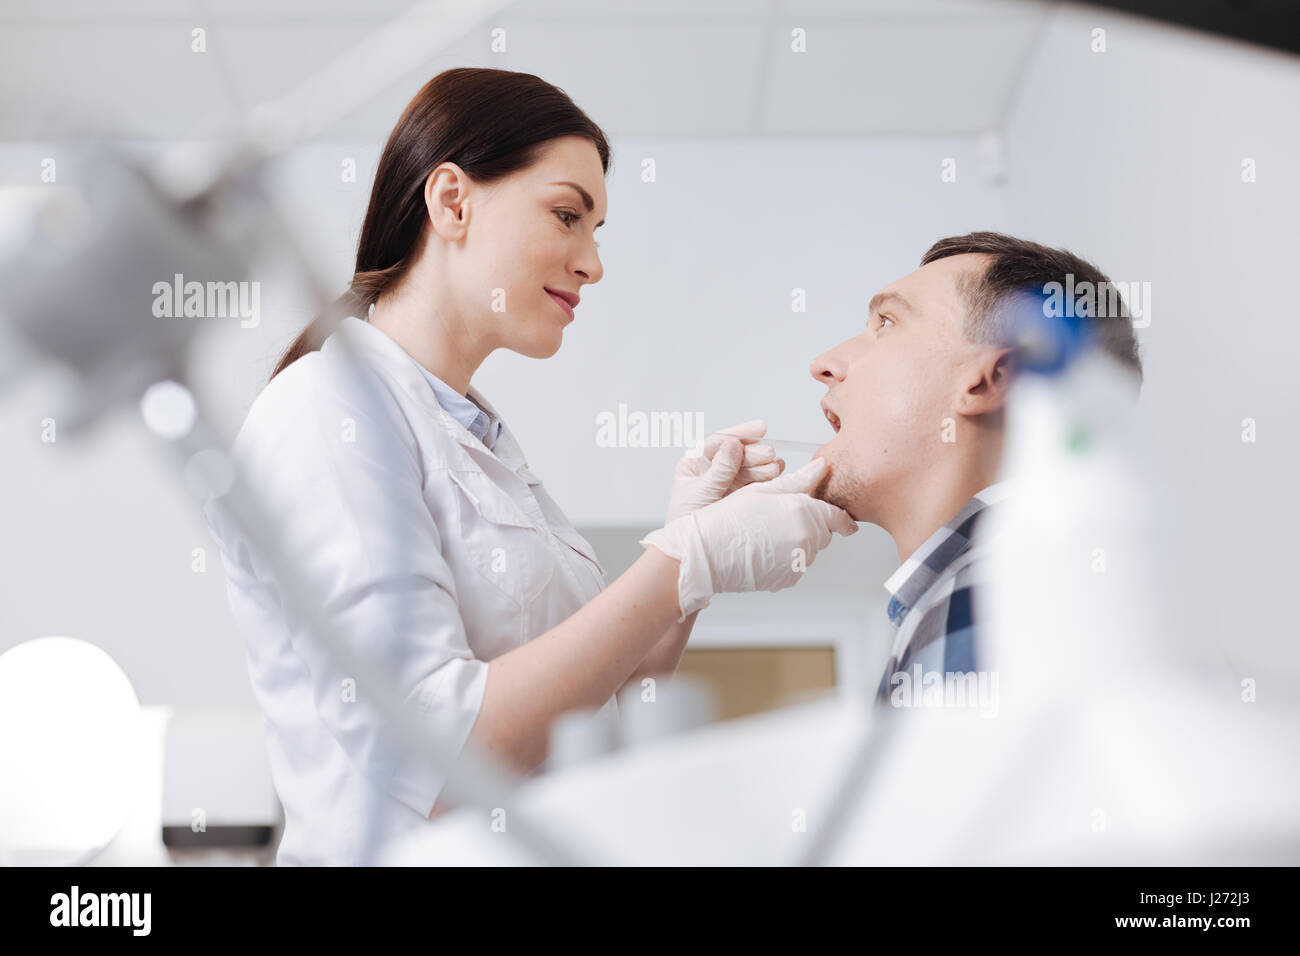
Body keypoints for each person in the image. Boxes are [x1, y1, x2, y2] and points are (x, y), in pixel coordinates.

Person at [201, 67, 856, 866]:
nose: (593, 263)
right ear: (452, 201)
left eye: (596, 229)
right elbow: (433, 756)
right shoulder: (326, 412)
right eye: (567, 215)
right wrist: (683, 562)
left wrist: (688, 558)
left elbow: (606, 705)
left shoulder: (470, 433)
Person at [805, 232, 1143, 706]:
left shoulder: (987, 598)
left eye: (886, 322)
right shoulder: (996, 591)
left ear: (993, 379)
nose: (825, 364)